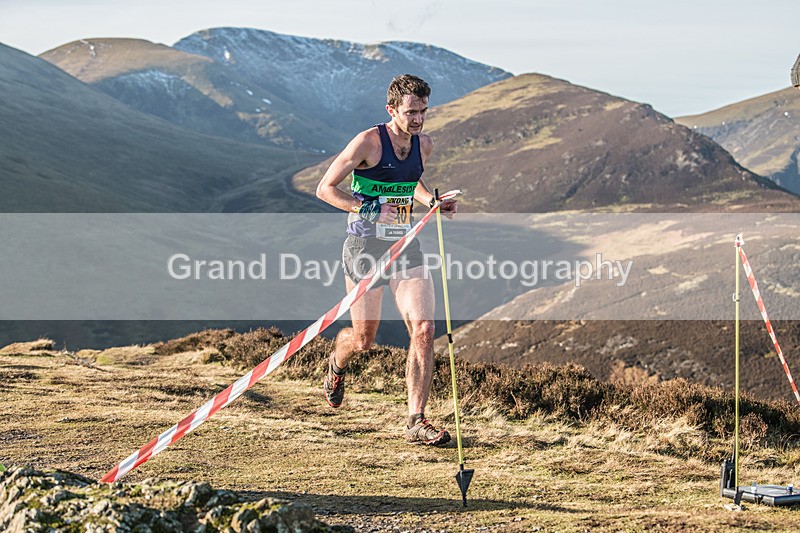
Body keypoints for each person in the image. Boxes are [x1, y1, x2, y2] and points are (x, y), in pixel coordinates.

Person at [315, 74, 457, 445]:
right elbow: (325, 189)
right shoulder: (368, 142)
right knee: (364, 340)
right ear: (391, 109)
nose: (418, 119)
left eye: (423, 111)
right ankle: (336, 363)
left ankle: (416, 420)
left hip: (405, 245)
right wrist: (370, 210)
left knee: (424, 330)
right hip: (364, 248)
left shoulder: (424, 145)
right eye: (411, 112)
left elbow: (410, 183)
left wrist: (433, 203)